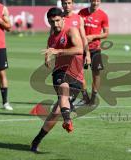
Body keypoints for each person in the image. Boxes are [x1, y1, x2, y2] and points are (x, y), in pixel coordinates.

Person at [30, 7, 83, 152]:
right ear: (49, 22)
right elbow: (50, 47)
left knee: (56, 111)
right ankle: (67, 120)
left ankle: (36, 140)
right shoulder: (51, 36)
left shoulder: (71, 31)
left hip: (77, 75)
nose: (56, 24)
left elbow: (80, 49)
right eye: (52, 22)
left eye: (58, 21)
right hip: (60, 72)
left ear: (63, 19)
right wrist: (47, 56)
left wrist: (58, 51)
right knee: (63, 91)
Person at [77, 0, 109, 106]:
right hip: (81, 48)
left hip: (95, 48)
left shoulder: (103, 15)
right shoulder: (81, 13)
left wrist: (93, 36)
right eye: (93, 0)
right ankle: (85, 96)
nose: (95, 3)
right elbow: (76, 28)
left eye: (97, 1)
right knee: (78, 73)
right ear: (89, 1)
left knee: (96, 73)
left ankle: (94, 97)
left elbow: (106, 34)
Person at [61, 0, 91, 104]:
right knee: (64, 76)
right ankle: (70, 99)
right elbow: (53, 35)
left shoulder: (78, 19)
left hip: (77, 54)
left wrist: (87, 54)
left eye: (69, 3)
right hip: (64, 54)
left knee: (80, 78)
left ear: (72, 4)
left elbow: (83, 37)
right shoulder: (59, 19)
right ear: (62, 4)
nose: (67, 5)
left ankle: (82, 96)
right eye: (65, 3)